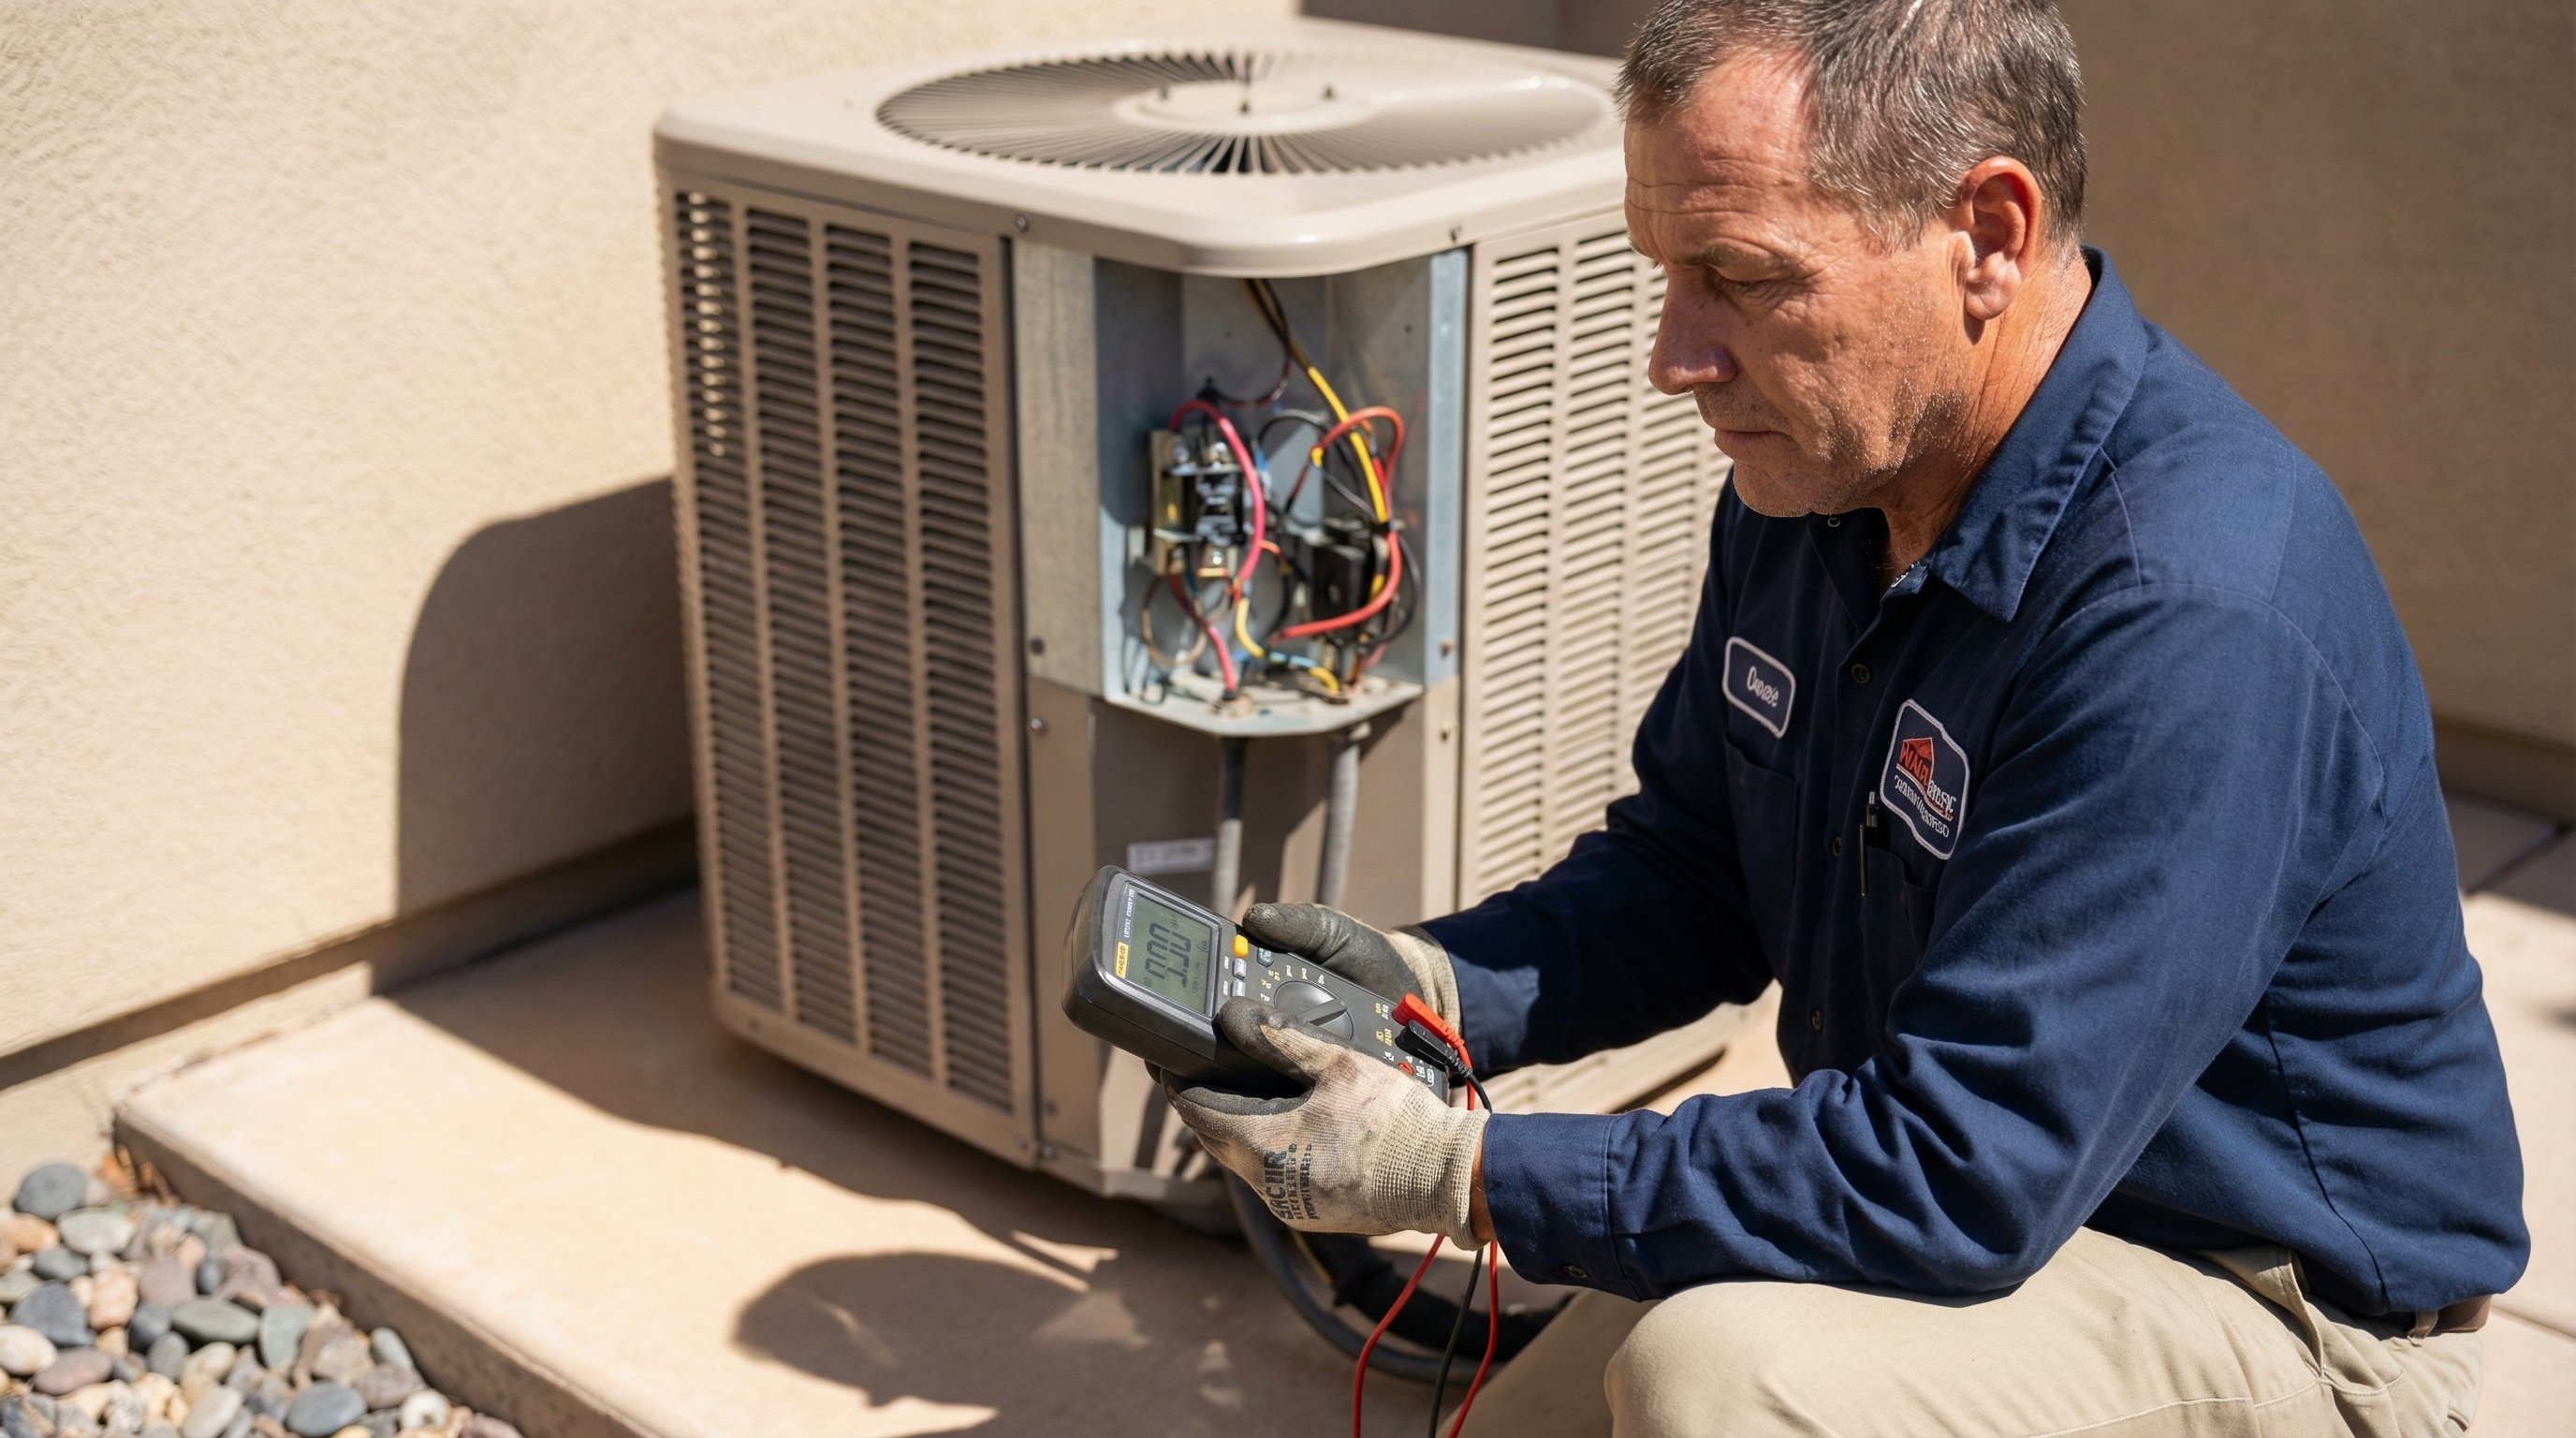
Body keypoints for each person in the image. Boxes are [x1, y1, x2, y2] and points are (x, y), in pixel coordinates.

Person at [1162, 2, 2529, 1433]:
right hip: (1986, 1205)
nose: (1675, 357)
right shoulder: (1826, 480)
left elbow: (1953, 1168)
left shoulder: (2191, 608)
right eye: (1664, 275)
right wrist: (1436, 992)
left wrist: (1456, 1175)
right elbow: (1697, 871)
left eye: (1740, 278)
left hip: (2270, 1303)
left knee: (1724, 1386)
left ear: (1989, 235)